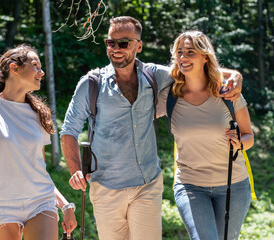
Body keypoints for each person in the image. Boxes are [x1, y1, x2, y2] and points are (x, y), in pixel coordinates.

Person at [60, 16, 242, 240]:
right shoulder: (91, 84)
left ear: (139, 45)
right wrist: (75, 170)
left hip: (147, 185)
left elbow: (193, 69)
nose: (116, 49)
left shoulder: (154, 75)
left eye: (124, 43)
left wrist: (234, 75)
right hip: (106, 187)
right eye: (111, 43)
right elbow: (69, 129)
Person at [0, 44, 77, 240]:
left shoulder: (39, 113)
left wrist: (65, 205)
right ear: (14, 68)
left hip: (40, 202)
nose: (42, 72)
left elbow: (38, 169)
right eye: (35, 65)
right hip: (0, 205)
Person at [157, 31, 254, 240]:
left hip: (233, 186)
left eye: (190, 52)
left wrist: (239, 144)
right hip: (190, 185)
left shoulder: (228, 93)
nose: (183, 57)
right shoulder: (168, 96)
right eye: (179, 52)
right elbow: (135, 117)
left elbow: (249, 136)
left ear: (205, 56)